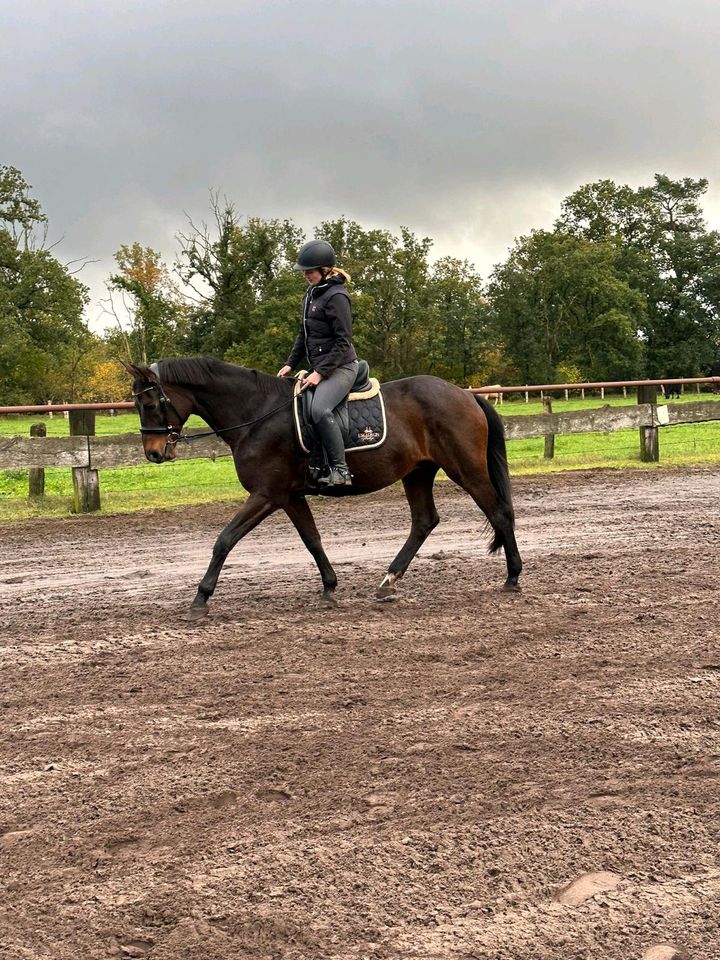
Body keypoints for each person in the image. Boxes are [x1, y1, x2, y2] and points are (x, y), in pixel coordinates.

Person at [278, 239, 358, 488]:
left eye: (310, 271)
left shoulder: (337, 296)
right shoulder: (311, 295)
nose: (306, 276)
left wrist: (320, 373)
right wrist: (290, 363)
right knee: (301, 407)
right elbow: (304, 335)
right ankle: (316, 463)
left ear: (325, 270)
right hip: (321, 368)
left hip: (342, 367)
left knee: (320, 409)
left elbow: (343, 342)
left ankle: (341, 470)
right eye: (304, 271)